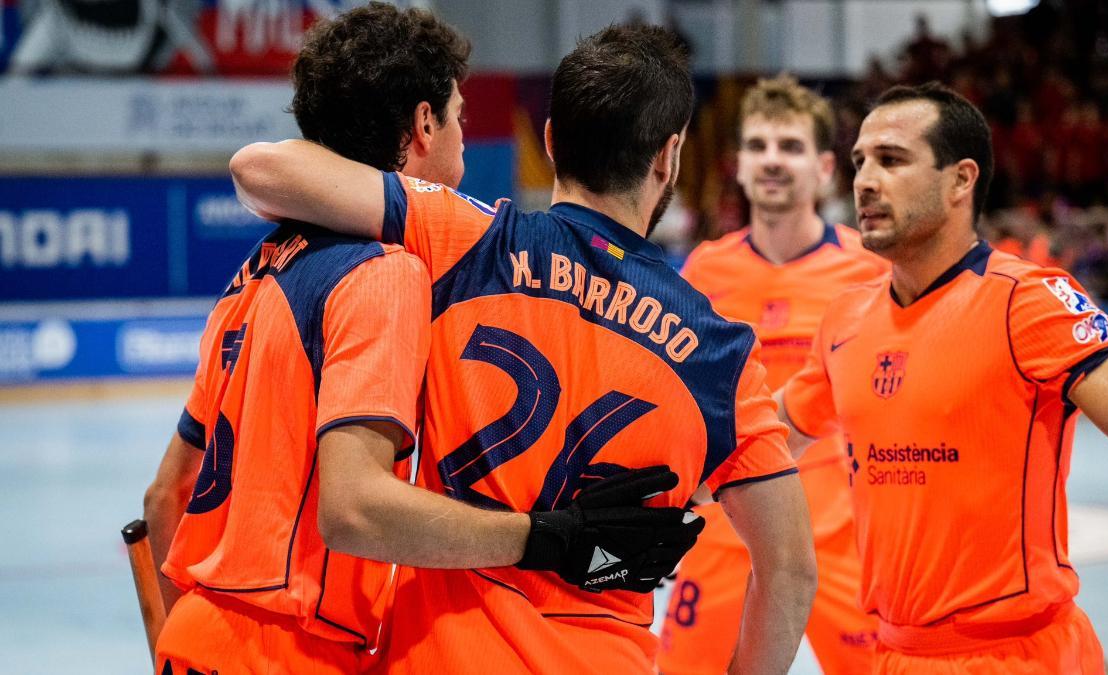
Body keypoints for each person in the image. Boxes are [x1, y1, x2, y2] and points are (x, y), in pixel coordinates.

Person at [230, 23, 819, 675]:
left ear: (549, 141)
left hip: (437, 657)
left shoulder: (467, 236)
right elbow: (790, 569)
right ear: (668, 157)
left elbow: (263, 168)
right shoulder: (720, 355)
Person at [141, 7, 702, 674]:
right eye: (460, 116)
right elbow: (352, 509)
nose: (465, 138)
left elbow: (162, 498)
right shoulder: (385, 272)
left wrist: (188, 641)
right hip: (289, 650)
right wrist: (547, 538)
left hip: (196, 634)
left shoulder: (256, 271)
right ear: (424, 124)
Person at [778, 82, 1108, 673]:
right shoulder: (845, 320)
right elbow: (774, 434)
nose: (865, 180)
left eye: (892, 160)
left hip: (1019, 654)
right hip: (896, 655)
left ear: (961, 179)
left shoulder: (1028, 301)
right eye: (859, 161)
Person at [657, 74, 885, 675]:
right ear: (738, 165)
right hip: (725, 534)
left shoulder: (869, 271)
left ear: (825, 167)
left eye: (790, 146)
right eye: (758, 146)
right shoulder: (705, 271)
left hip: (841, 535)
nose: (772, 161)